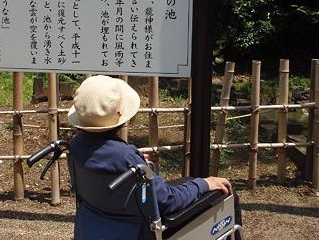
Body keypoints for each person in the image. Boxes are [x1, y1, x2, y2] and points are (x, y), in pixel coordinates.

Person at [68, 75, 241, 238]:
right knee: (225, 194)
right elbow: (168, 201)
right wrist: (203, 184)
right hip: (140, 231)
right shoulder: (126, 157)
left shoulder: (74, 147)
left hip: (95, 225)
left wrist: (137, 160)